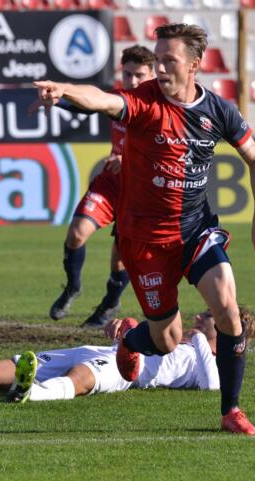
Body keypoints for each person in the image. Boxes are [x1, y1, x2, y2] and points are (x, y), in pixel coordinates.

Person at [34, 23, 255, 435]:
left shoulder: (218, 111)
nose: (159, 69)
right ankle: (130, 341)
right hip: (145, 240)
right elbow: (103, 101)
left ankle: (230, 411)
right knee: (165, 340)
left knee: (227, 307)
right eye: (157, 60)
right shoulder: (144, 103)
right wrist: (64, 90)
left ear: (195, 66)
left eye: (169, 61)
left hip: (196, 229)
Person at [0, 307, 255, 404]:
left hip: (125, 369)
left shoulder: (207, 358)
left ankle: (30, 394)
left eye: (213, 315)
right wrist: (123, 325)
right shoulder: (179, 336)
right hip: (101, 349)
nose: (203, 313)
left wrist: (205, 338)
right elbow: (140, 329)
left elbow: (216, 386)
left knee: (81, 377)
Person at [49, 45, 156, 328]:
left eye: (140, 75)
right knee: (76, 233)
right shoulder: (120, 99)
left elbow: (170, 153)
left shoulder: (160, 107)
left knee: (121, 257)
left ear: (153, 75)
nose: (133, 81)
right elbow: (89, 103)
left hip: (140, 190)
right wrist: (59, 98)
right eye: (128, 74)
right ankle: (73, 287)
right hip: (111, 182)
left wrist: (131, 160)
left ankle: (109, 303)